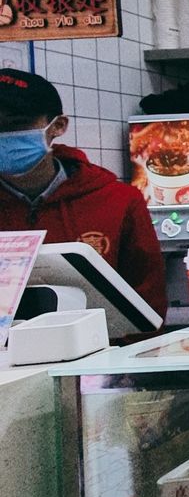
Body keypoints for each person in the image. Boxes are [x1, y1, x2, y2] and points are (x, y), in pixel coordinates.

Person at [0, 69, 167, 322]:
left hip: (103, 355)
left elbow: (149, 306)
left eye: (16, 124)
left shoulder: (118, 202)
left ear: (57, 126)